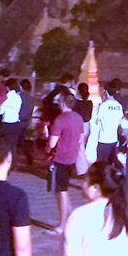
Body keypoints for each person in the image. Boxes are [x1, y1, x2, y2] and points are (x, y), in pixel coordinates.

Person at [65, 160, 128, 256]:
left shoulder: (80, 215)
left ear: (95, 188)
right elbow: (127, 254)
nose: (82, 184)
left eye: (85, 180)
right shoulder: (122, 215)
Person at [48, 89, 87, 235]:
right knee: (63, 190)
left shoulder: (60, 120)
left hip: (60, 158)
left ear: (63, 103)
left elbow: (52, 143)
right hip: (72, 157)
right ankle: (69, 218)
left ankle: (63, 224)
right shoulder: (78, 117)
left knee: (61, 192)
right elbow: (81, 138)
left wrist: (47, 148)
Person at [89, 80, 125, 164]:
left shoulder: (104, 106)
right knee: (110, 162)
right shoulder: (119, 106)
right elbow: (120, 121)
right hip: (114, 139)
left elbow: (97, 121)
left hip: (104, 139)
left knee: (101, 163)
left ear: (106, 92)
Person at [0, 78, 25, 163]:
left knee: (5, 144)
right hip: (16, 123)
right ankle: (13, 163)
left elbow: (0, 111)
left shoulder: (6, 97)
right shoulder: (18, 97)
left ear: (7, 87)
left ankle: (4, 162)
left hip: (6, 123)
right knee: (13, 144)